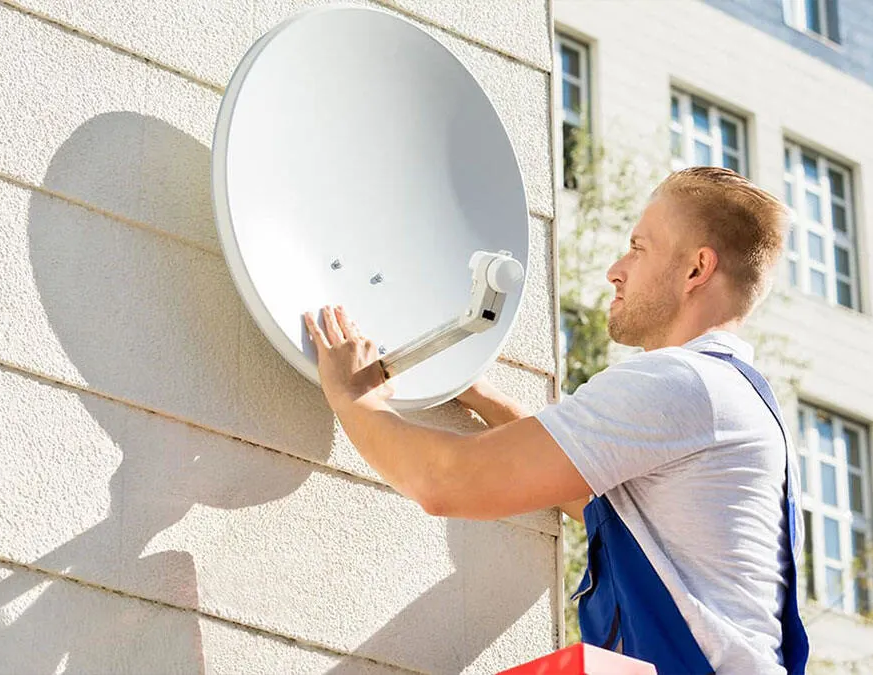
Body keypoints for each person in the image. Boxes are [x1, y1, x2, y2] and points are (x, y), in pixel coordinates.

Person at [302, 166, 809, 674]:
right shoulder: (738, 402)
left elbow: (446, 482)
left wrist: (354, 398)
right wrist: (479, 393)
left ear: (696, 270)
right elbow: (586, 494)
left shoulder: (682, 383)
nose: (616, 268)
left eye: (638, 247)